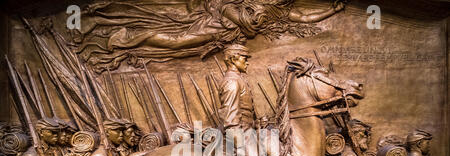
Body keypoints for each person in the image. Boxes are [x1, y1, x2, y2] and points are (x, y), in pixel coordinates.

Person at [76, 0, 346, 72]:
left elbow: (306, 17)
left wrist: (331, 11)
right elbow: (225, 7)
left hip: (219, 35)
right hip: (213, 27)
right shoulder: (254, 2)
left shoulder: (279, 13)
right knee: (176, 41)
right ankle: (122, 37)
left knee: (175, 44)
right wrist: (244, 23)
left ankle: (123, 35)